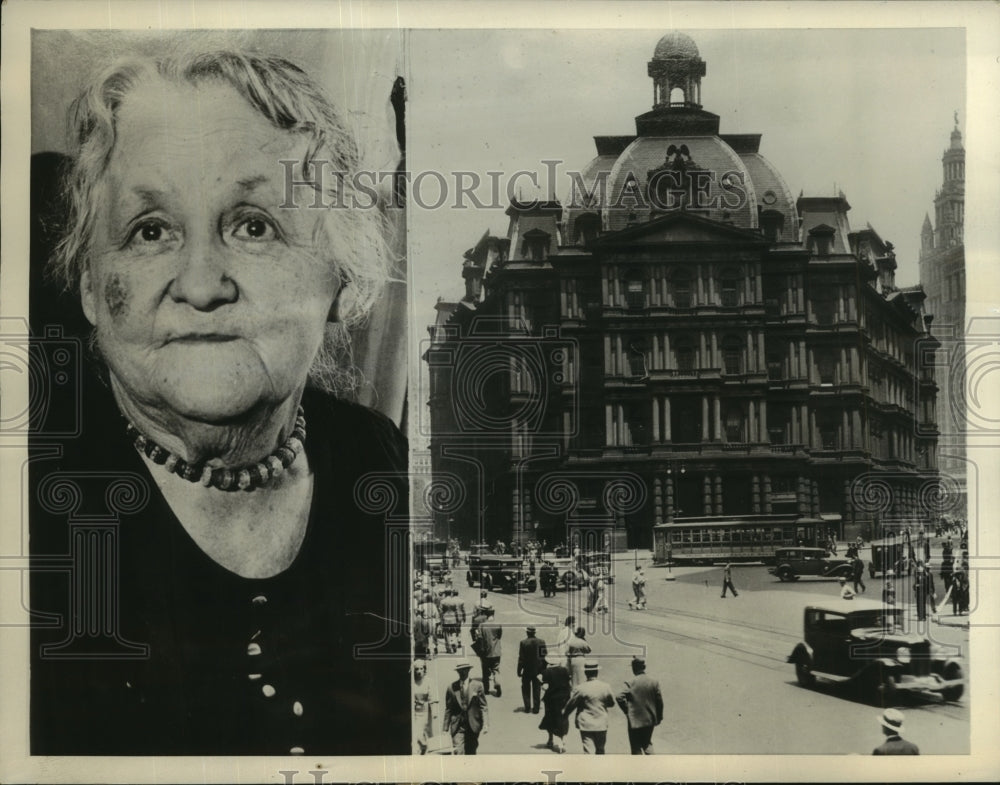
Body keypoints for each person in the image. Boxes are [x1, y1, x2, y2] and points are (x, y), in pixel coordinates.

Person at [29, 44, 408, 756]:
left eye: (253, 225)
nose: (201, 285)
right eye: (150, 230)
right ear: (89, 287)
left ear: (344, 278)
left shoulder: (383, 463)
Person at [563, 659, 617, 754]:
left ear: (585, 673)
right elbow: (611, 703)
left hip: (586, 724)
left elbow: (571, 705)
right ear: (597, 672)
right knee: (600, 750)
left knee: (588, 751)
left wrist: (564, 714)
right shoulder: (605, 686)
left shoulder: (580, 688)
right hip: (601, 723)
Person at [616, 655, 664, 755]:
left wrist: (627, 710)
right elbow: (660, 702)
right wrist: (659, 717)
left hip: (634, 720)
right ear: (644, 667)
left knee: (636, 747)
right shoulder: (654, 682)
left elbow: (619, 697)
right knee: (647, 744)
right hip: (649, 720)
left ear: (634, 668)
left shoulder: (630, 682)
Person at [443, 660, 489, 755]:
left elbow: (483, 706)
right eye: (460, 670)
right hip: (458, 726)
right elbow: (448, 709)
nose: (462, 672)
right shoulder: (451, 687)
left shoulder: (478, 685)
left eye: (464, 670)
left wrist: (486, 724)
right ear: (457, 672)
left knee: (471, 751)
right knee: (457, 751)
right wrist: (445, 728)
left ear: (468, 670)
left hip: (473, 725)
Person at [538, 654, 572, 753]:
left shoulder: (546, 672)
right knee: (563, 717)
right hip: (564, 698)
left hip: (551, 699)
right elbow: (568, 683)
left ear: (549, 662)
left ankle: (550, 739)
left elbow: (544, 686)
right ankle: (562, 739)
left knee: (550, 717)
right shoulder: (564, 670)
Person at [517, 626, 548, 714]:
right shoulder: (541, 642)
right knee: (537, 688)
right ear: (534, 633)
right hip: (538, 669)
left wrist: (519, 670)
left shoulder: (523, 643)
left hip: (527, 669)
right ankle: (536, 708)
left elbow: (521, 658)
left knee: (525, 688)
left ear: (527, 633)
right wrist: (544, 671)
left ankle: (527, 707)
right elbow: (544, 657)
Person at [475, 603, 503, 696]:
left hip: (486, 652)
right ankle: (497, 683)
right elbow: (499, 636)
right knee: (496, 669)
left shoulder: (482, 625)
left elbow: (479, 638)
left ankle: (486, 689)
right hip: (496, 651)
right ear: (493, 614)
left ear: (486, 615)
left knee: (485, 671)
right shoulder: (498, 624)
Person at [412, 659, 436, 754]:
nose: (419, 671)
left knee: (428, 731)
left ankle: (430, 750)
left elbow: (432, 697)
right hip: (415, 711)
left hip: (426, 711)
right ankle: (421, 748)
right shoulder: (412, 682)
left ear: (424, 669)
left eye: (421, 669)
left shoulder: (429, 681)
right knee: (417, 732)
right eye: (416, 669)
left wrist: (434, 712)